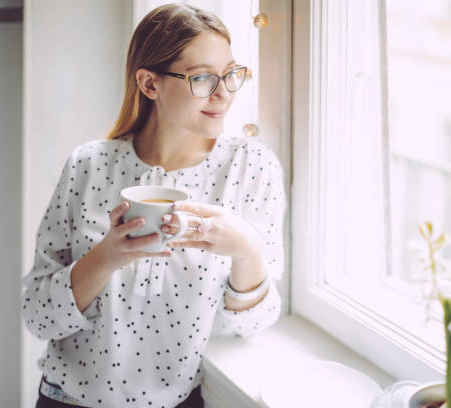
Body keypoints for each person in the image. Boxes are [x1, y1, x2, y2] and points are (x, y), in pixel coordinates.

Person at [22, 3, 286, 408]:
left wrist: (246, 248)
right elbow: (38, 316)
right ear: (149, 84)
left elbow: (253, 323)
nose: (223, 93)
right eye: (202, 78)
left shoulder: (251, 169)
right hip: (66, 398)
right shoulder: (89, 165)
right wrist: (107, 255)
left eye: (231, 74)